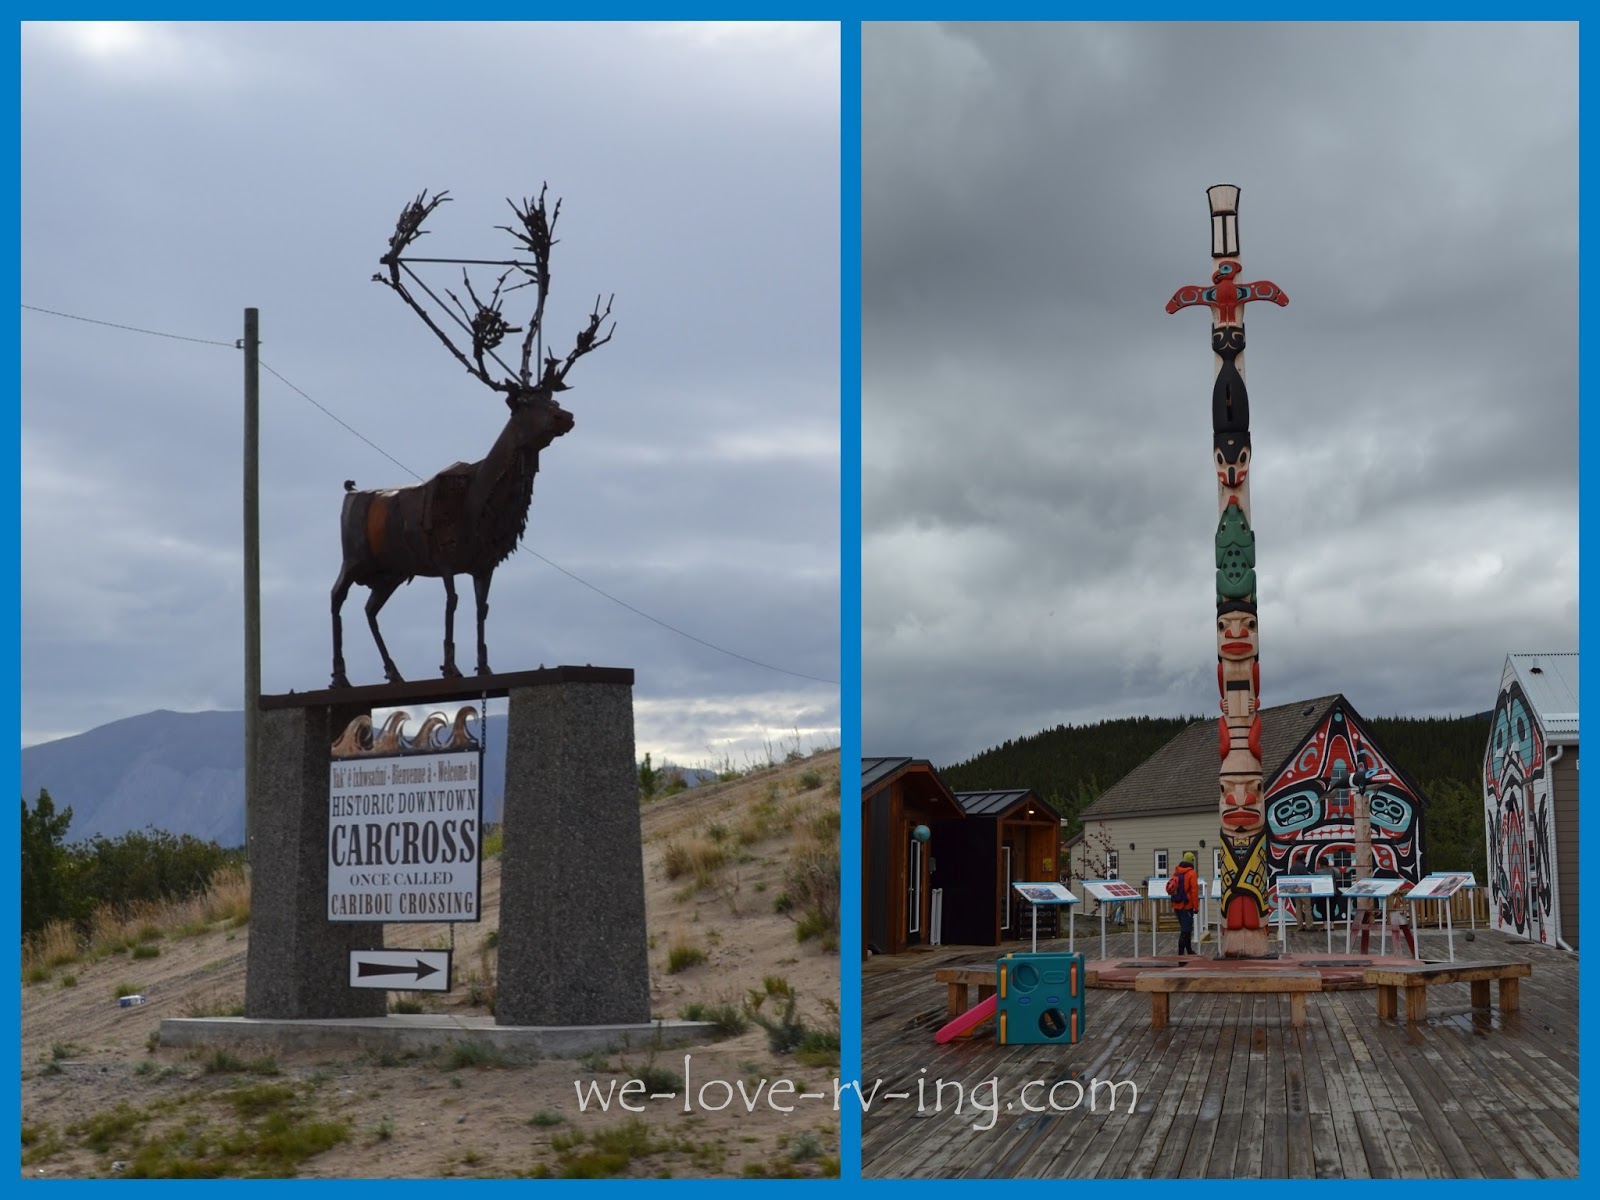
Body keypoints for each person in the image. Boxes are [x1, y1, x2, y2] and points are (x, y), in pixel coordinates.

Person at [1171, 851, 1201, 956]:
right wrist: (1196, 907)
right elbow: (1194, 892)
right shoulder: (1192, 873)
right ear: (1192, 861)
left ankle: (1189, 950)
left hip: (1176, 905)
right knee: (1185, 930)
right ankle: (1180, 955)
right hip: (1186, 906)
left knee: (1186, 928)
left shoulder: (1176, 872)